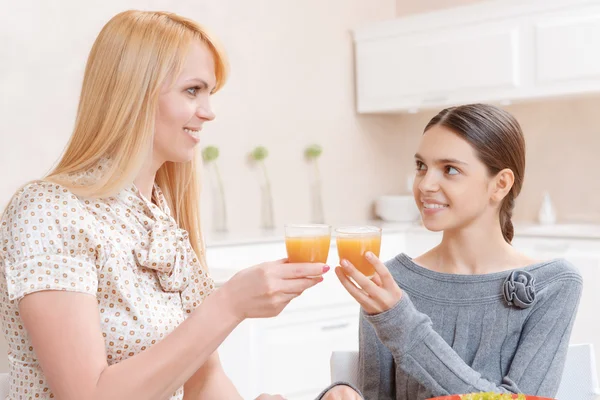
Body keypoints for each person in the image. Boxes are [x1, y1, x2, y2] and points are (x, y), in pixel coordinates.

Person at [0, 10, 329, 400]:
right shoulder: (48, 212)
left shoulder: (158, 219)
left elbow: (205, 381)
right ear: (134, 91)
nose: (208, 111)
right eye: (193, 90)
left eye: (209, 93)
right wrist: (229, 305)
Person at [319, 104, 582, 400]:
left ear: (500, 184)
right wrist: (340, 392)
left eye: (450, 170)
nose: (425, 185)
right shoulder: (390, 281)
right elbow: (376, 395)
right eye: (421, 166)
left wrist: (400, 322)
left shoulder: (556, 284)